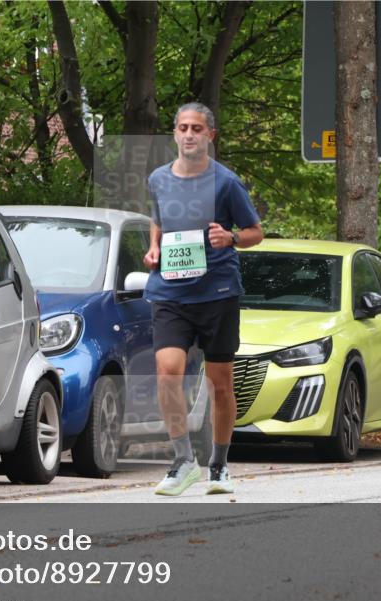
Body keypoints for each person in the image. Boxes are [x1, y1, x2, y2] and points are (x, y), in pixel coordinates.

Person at [143, 102, 264, 496]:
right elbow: (158, 220)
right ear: (175, 134)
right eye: (182, 127)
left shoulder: (226, 182)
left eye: (197, 128)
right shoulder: (159, 179)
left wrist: (230, 238)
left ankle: (219, 465)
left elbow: (255, 232)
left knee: (220, 385)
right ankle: (183, 461)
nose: (189, 134)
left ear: (210, 135)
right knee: (167, 371)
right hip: (171, 291)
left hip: (217, 293)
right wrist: (153, 249)